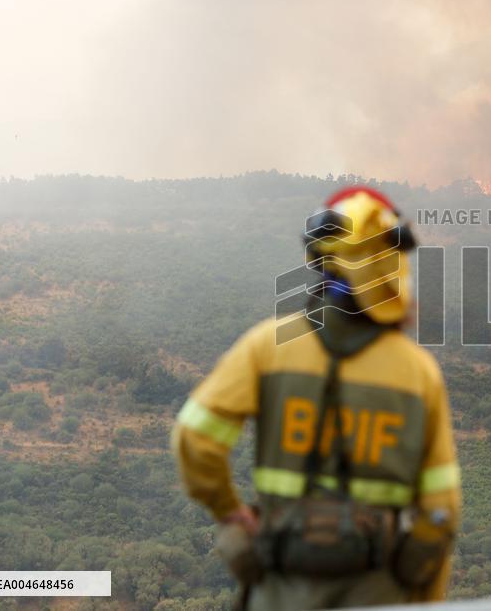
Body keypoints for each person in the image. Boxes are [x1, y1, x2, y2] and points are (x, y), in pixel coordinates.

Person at [171, 186, 461, 609]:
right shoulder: (418, 373)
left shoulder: (267, 346)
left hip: (281, 586)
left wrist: (231, 513)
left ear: (322, 263)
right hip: (380, 591)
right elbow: (442, 509)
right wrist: (416, 587)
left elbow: (194, 439)